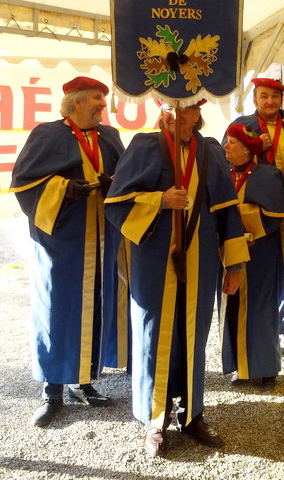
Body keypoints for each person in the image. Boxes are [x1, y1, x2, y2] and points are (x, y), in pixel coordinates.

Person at [105, 101, 250, 458]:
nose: (181, 118)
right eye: (174, 112)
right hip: (154, 261)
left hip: (201, 264)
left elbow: (227, 210)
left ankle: (193, 414)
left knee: (193, 335)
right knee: (154, 333)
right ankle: (154, 419)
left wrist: (235, 265)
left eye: (188, 112)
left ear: (197, 115)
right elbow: (116, 203)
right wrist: (159, 200)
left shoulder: (211, 151)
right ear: (165, 113)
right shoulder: (143, 145)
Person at [10, 76, 128, 427]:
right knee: (57, 309)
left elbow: (127, 175)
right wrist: (64, 189)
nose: (102, 107)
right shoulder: (46, 135)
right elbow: (23, 181)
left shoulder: (109, 136)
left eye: (103, 102)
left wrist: (114, 183)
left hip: (102, 238)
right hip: (62, 242)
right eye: (96, 100)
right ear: (74, 103)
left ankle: (86, 380)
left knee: (94, 307)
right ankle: (53, 389)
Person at [226, 77, 284, 352]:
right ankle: (262, 332)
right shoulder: (241, 126)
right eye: (264, 96)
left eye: (275, 96)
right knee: (262, 271)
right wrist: (255, 149)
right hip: (260, 214)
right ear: (255, 99)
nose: (270, 102)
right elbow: (224, 158)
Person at [220, 124, 284, 386]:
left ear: (248, 150)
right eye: (227, 142)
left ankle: (267, 368)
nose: (226, 146)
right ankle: (242, 367)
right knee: (233, 308)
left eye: (232, 143)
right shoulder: (223, 175)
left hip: (259, 253)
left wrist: (246, 229)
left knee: (261, 308)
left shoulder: (267, 176)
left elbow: (274, 216)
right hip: (230, 254)